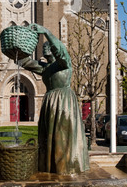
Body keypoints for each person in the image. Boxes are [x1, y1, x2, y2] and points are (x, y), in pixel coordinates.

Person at [19, 24, 89, 175]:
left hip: (64, 103)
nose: (44, 48)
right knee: (47, 136)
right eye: (43, 47)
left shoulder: (64, 64)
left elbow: (61, 52)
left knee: (62, 136)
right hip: (50, 102)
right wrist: (16, 48)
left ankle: (66, 167)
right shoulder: (45, 68)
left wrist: (47, 32)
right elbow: (24, 62)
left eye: (48, 46)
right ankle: (49, 166)